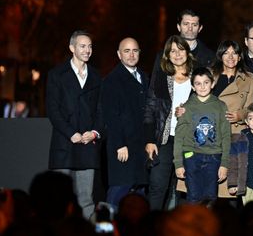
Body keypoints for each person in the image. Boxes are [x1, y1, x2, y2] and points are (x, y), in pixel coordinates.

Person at [46, 30, 103, 219]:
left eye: (90, 46)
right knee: (59, 200)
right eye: (83, 46)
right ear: (72, 48)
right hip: (64, 145)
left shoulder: (96, 76)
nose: (87, 50)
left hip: (88, 147)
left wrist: (94, 132)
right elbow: (53, 110)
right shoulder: (57, 75)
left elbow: (100, 110)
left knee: (86, 199)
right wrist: (71, 133)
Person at [143, 35, 195, 210]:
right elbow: (150, 109)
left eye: (181, 50)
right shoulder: (160, 77)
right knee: (158, 186)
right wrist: (150, 140)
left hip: (189, 142)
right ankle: (152, 228)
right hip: (164, 140)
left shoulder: (199, 77)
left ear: (187, 52)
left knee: (186, 189)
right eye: (173, 51)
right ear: (167, 55)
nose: (177, 54)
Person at [101, 37, 149, 207]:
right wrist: (119, 144)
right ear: (119, 54)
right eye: (127, 51)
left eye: (135, 50)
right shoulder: (111, 81)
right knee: (118, 193)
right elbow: (111, 116)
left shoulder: (144, 77)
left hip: (141, 148)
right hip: (123, 148)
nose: (131, 55)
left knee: (138, 197)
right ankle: (106, 231)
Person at [174, 67, 230, 203]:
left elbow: (226, 136)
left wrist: (224, 163)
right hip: (191, 156)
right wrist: (178, 164)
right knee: (193, 196)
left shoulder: (220, 106)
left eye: (206, 82)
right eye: (198, 83)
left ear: (212, 84)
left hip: (214, 157)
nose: (202, 86)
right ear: (193, 87)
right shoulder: (186, 107)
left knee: (211, 197)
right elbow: (179, 137)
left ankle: (209, 224)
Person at [151, 9, 214, 77]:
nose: (190, 28)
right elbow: (154, 86)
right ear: (178, 27)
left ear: (200, 28)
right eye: (186, 24)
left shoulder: (210, 57)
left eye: (194, 25)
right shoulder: (163, 56)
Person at [211, 40, 253, 129]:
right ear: (221, 56)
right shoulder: (209, 75)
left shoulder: (250, 79)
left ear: (239, 57)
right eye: (226, 53)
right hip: (212, 128)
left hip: (236, 131)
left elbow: (250, 108)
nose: (230, 57)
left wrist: (239, 116)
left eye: (234, 53)